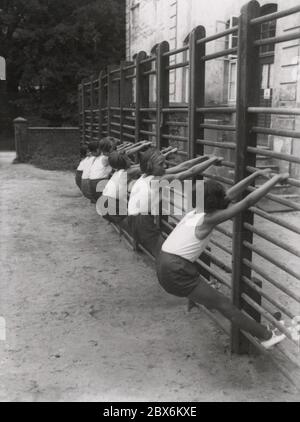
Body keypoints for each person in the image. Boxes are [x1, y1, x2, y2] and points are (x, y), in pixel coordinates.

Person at [156, 169, 290, 349]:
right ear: (216, 201)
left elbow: (230, 194)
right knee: (224, 304)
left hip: (165, 263)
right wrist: (275, 179)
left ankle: (263, 330)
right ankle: (266, 336)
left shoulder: (196, 211)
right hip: (176, 269)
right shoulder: (209, 219)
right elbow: (247, 201)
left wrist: (255, 175)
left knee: (217, 300)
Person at [127, 147, 222, 258]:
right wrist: (213, 160)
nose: (165, 166)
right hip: (142, 221)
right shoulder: (157, 180)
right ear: (150, 165)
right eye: (161, 164)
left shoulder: (144, 176)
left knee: (162, 251)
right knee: (164, 254)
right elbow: (189, 172)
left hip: (133, 219)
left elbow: (183, 166)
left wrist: (205, 157)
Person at [89, 137, 115, 203]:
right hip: (99, 184)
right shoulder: (106, 159)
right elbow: (122, 155)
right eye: (113, 147)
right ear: (110, 148)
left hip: (93, 185)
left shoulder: (98, 158)